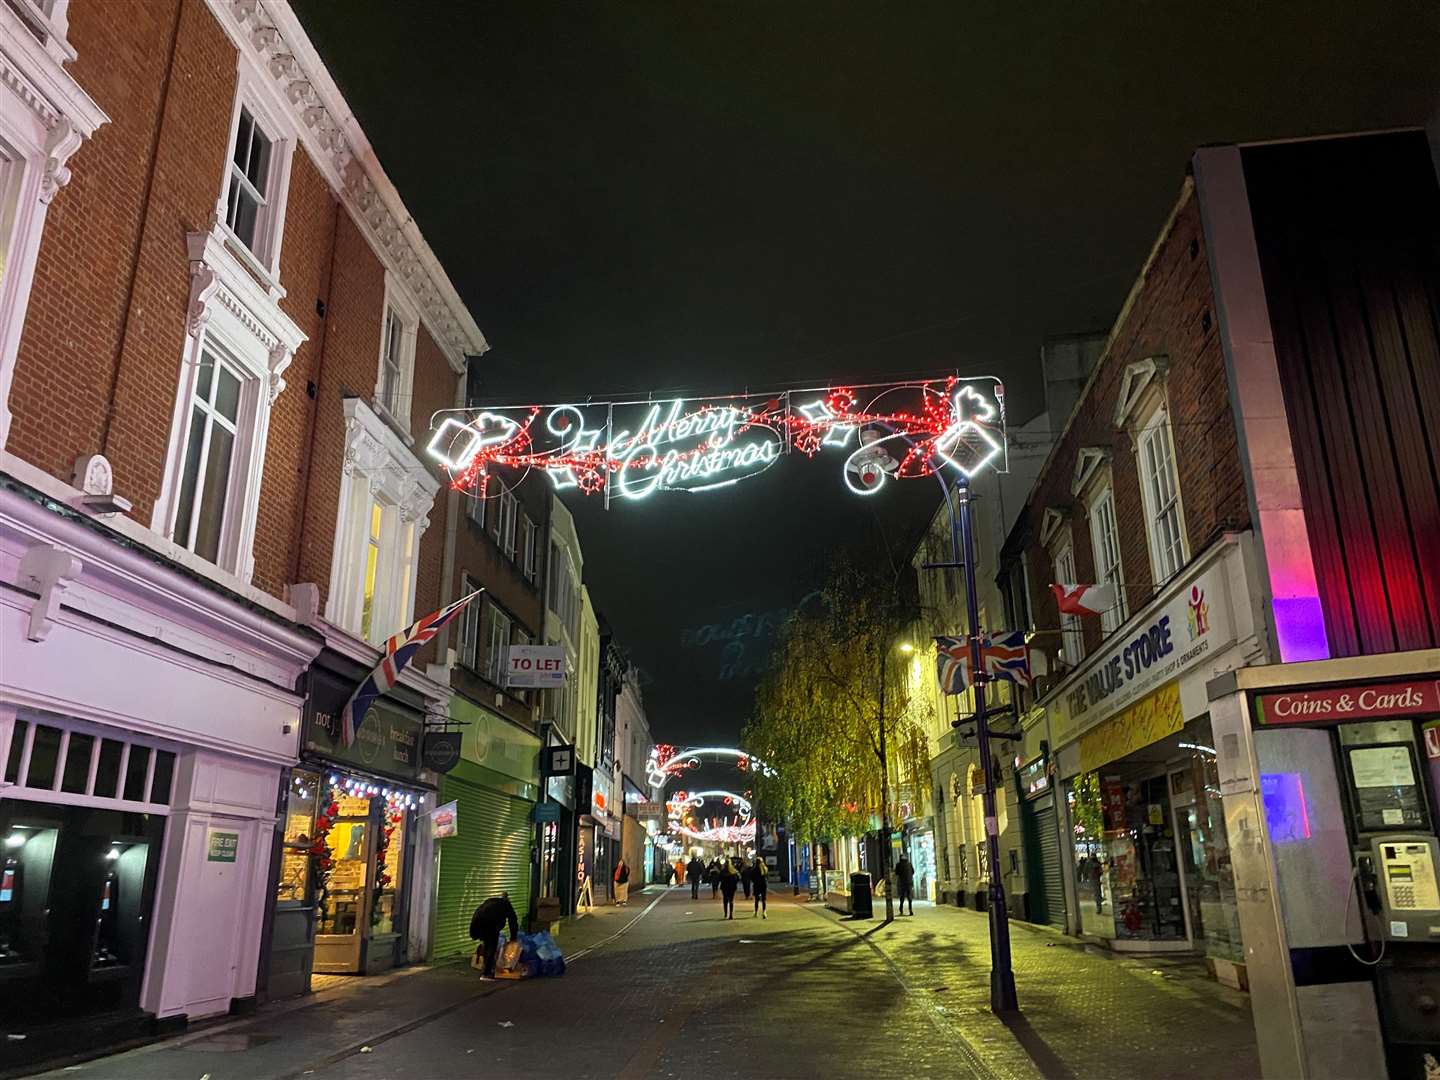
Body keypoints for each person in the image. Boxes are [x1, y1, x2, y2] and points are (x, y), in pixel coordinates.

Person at [468, 892, 519, 980]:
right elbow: (513, 922)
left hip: (476, 923)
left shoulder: (493, 901)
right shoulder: (506, 905)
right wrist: (513, 938)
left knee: (488, 944)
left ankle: (485, 968)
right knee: (491, 946)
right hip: (488, 924)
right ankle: (486, 973)